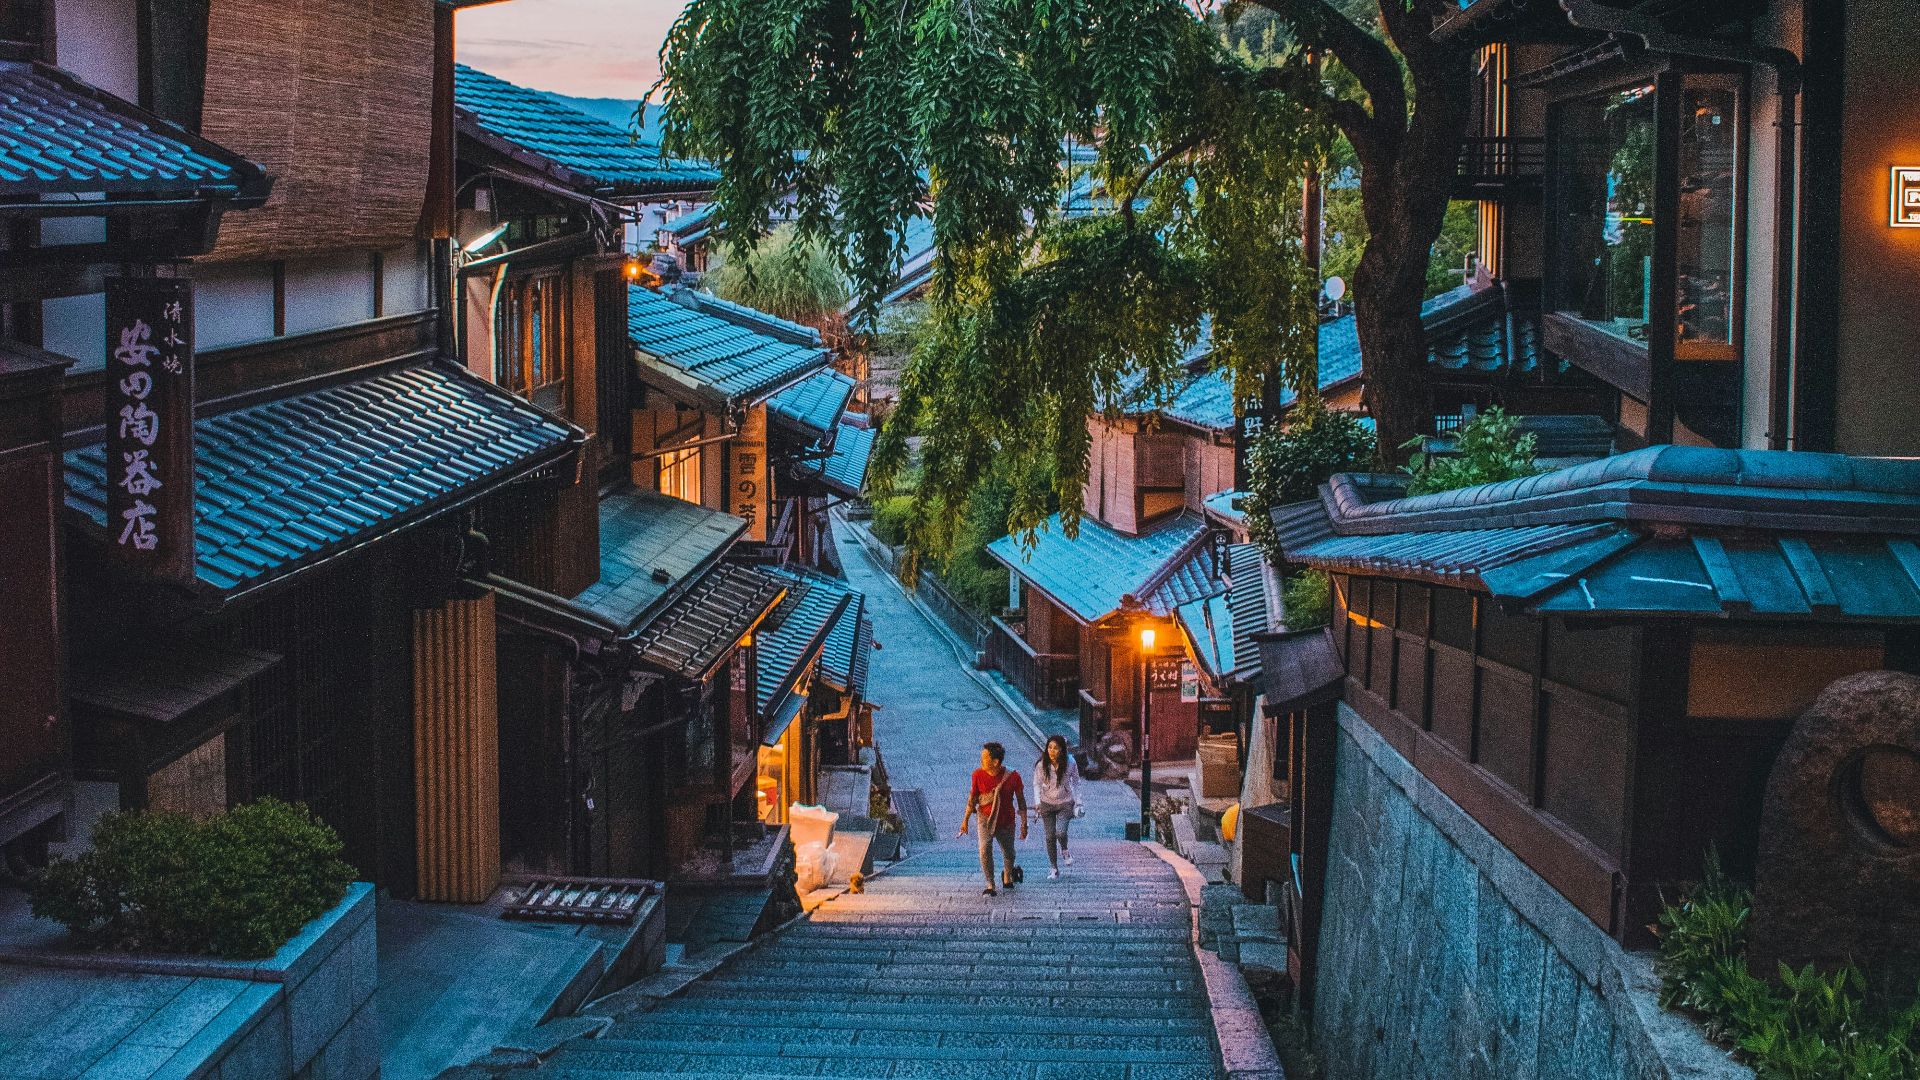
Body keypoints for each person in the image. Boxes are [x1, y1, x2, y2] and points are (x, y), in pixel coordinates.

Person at [957, 741, 1026, 895]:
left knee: (1009, 852)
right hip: (984, 818)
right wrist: (965, 820)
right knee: (984, 848)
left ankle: (1007, 875)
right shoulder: (977, 775)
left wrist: (1024, 823)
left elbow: (1021, 800)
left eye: (985, 757)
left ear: (996, 762)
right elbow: (973, 798)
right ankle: (990, 884)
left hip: (1006, 820)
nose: (981, 760)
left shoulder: (1013, 776)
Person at [1034, 735, 1081, 879]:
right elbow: (1036, 783)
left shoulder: (1070, 762)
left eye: (1055, 748)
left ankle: (1065, 850)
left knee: (1060, 832)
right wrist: (1037, 802)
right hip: (1046, 803)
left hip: (1065, 802)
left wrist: (1079, 801)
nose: (1052, 751)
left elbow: (1077, 782)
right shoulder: (1042, 764)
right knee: (1049, 837)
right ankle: (1054, 868)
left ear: (1062, 750)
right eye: (1049, 747)